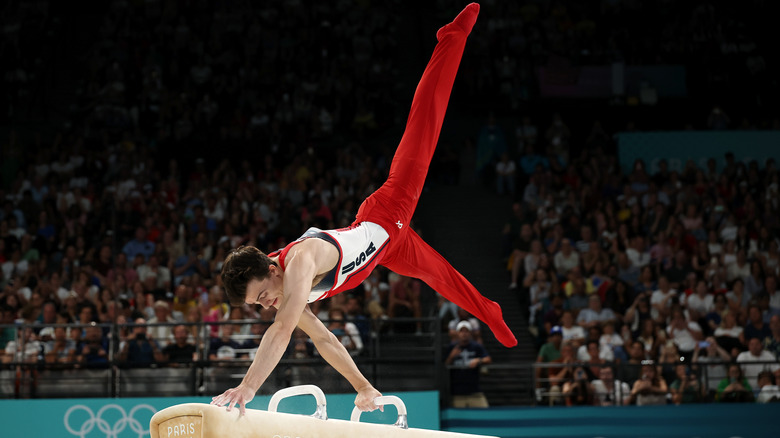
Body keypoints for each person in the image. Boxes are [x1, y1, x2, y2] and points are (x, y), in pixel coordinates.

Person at [211, 4, 513, 415]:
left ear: (273, 268)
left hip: (388, 211)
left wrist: (247, 388)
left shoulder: (299, 261)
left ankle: (451, 38)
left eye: (262, 295)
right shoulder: (285, 294)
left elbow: (282, 332)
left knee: (424, 122)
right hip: (386, 251)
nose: (266, 305)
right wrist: (365, 388)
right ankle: (489, 310)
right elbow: (323, 339)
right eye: (258, 304)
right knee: (443, 278)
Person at [445, 320, 492, 407]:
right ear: (457, 333)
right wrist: (451, 356)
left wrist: (478, 360)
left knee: (485, 413)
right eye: (461, 331)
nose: (464, 333)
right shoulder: (451, 347)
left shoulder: (476, 346)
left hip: (475, 392)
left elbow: (488, 359)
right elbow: (445, 365)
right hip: (457, 393)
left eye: (466, 331)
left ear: (470, 333)